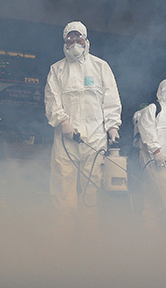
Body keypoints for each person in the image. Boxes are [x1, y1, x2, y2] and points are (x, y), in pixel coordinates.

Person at [44, 21, 121, 234]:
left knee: (91, 188)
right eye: (70, 38)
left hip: (94, 138)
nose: (74, 42)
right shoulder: (57, 69)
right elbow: (52, 99)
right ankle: (65, 235)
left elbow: (111, 98)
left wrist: (113, 126)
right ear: (64, 41)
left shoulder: (100, 66)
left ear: (86, 41)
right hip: (66, 139)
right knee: (63, 186)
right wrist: (63, 122)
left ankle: (88, 236)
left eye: (79, 38)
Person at [133, 78, 166, 233]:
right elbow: (147, 131)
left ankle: (148, 232)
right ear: (164, 90)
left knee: (152, 200)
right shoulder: (154, 108)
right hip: (154, 160)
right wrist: (156, 152)